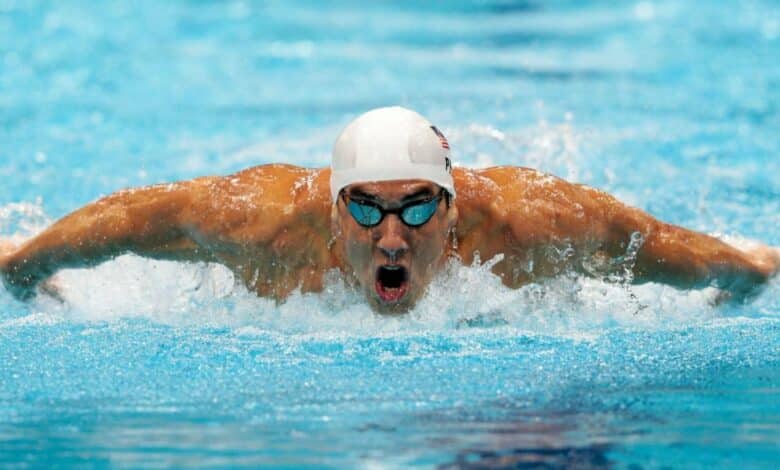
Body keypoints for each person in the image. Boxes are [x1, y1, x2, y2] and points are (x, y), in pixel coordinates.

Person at [1, 107, 778, 313]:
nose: (394, 236)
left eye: (416, 209)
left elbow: (651, 243)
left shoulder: (528, 227)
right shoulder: (265, 225)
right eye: (367, 212)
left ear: (453, 207)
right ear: (334, 214)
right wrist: (22, 264)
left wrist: (744, 270)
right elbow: (137, 219)